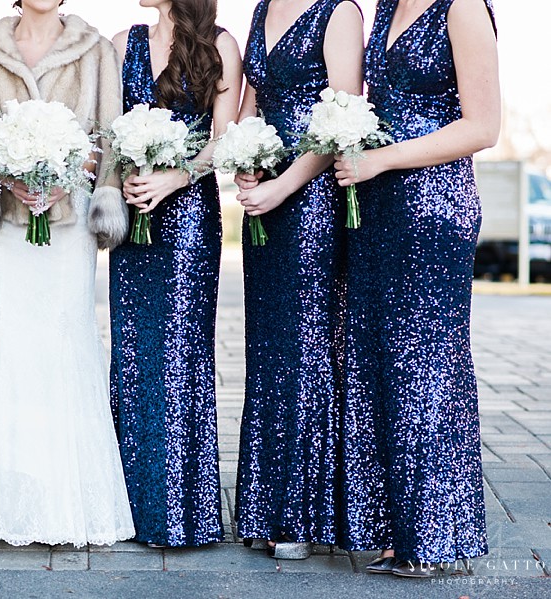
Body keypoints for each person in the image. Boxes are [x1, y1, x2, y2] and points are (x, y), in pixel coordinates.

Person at [0, 0, 134, 549]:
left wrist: (70, 180)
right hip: (7, 228)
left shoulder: (97, 50)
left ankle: (64, 504)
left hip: (72, 225)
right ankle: (0, 502)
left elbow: (110, 141)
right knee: (5, 336)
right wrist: (5, 180)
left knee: (66, 341)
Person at [334, 0, 499, 578]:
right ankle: (394, 531)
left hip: (434, 208)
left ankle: (434, 535)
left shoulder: (464, 9)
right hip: (376, 208)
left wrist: (382, 160)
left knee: (426, 365)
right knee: (377, 362)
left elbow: (483, 126)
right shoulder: (381, 13)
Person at [108, 0, 243, 548]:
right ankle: (128, 507)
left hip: (188, 216)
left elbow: (222, 137)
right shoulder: (123, 43)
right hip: (135, 213)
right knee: (132, 351)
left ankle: (182, 511)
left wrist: (174, 178)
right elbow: (106, 132)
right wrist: (124, 178)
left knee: (181, 354)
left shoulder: (222, 43)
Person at [232, 0, 363, 559]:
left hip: (312, 201)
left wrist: (283, 185)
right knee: (270, 348)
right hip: (266, 201)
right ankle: (264, 505)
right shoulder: (261, 11)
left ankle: (304, 515)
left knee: (309, 347)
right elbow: (251, 109)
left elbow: (342, 122)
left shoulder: (339, 13)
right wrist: (246, 160)